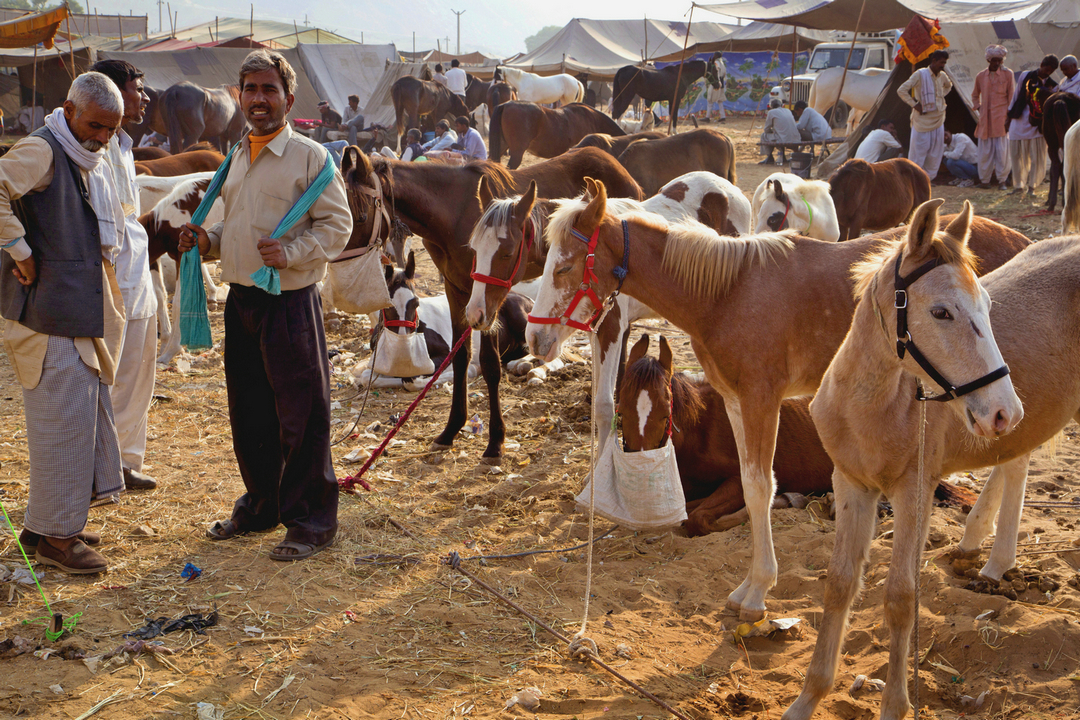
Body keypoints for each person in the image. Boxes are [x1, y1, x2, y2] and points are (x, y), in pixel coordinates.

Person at [178, 50, 352, 561]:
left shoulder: (310, 158)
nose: (259, 98)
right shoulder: (234, 157)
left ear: (288, 99)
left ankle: (312, 523)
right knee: (250, 411)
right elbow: (228, 224)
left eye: (269, 89)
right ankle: (261, 507)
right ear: (239, 95)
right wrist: (205, 241)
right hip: (242, 302)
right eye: (250, 88)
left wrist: (292, 252)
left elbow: (337, 227)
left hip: (290, 303)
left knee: (302, 415)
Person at [0, 72, 126, 574]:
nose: (101, 138)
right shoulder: (45, 149)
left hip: (69, 314)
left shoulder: (78, 154)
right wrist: (18, 247)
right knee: (63, 424)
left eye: (110, 131)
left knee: (74, 421)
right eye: (95, 126)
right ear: (68, 110)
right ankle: (59, 541)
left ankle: (41, 527)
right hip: (48, 317)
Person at [90, 59, 159, 492]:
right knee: (107, 378)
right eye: (138, 88)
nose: (145, 97)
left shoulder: (126, 146)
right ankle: (100, 470)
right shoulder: (90, 146)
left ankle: (125, 462)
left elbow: (128, 215)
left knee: (138, 374)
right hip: (111, 277)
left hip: (139, 273)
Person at [897, 50, 952, 181]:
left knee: (935, 153)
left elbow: (949, 86)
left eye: (945, 62)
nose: (943, 65)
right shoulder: (920, 75)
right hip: (922, 121)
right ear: (934, 61)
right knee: (918, 153)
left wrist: (938, 98)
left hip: (938, 119)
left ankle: (927, 180)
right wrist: (915, 104)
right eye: (941, 62)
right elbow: (901, 90)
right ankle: (913, 180)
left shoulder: (942, 75)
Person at [1007, 54, 1058, 196]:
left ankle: (1032, 187)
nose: (1046, 73)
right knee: (1016, 155)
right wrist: (1009, 116)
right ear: (1041, 64)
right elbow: (1016, 95)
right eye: (1045, 69)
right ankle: (1018, 186)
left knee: (1036, 157)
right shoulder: (1026, 76)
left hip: (1037, 124)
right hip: (1019, 118)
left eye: (1050, 72)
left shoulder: (1053, 85)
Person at [971, 45, 1014, 189]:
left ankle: (1002, 181)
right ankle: (985, 181)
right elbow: (975, 95)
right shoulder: (980, 76)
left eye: (999, 61)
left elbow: (1011, 97)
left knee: (1002, 153)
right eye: (994, 60)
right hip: (985, 120)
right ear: (989, 60)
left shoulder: (1008, 74)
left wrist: (1009, 118)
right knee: (985, 153)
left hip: (1001, 119)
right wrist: (978, 106)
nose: (996, 63)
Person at [758, 98, 799, 166]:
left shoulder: (771, 112)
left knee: (764, 136)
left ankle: (769, 156)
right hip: (795, 138)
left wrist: (772, 131)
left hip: (784, 139)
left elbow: (766, 129)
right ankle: (782, 157)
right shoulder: (788, 110)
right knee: (779, 135)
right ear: (782, 105)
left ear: (771, 107)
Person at [707, 53, 727, 122]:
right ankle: (723, 116)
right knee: (720, 101)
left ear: (716, 56)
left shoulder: (716, 63)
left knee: (710, 100)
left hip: (716, 83)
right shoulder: (722, 63)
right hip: (721, 83)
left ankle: (707, 117)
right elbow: (724, 74)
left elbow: (715, 73)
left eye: (714, 55)